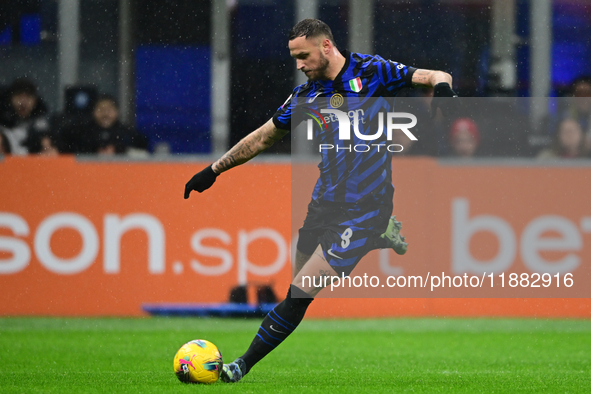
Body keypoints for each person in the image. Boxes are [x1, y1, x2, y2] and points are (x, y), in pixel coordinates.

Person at [183, 19, 458, 383]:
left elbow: (437, 74)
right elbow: (264, 138)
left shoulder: (373, 71)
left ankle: (240, 366)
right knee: (295, 286)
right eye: (294, 57)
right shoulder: (306, 96)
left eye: (303, 56)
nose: (298, 64)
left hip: (366, 206)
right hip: (324, 201)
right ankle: (379, 235)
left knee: (300, 293)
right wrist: (214, 170)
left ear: (326, 46)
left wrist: (442, 89)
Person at [58, 94, 149, 155]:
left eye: (109, 110)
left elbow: (142, 148)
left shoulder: (128, 133)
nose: (105, 114)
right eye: (100, 110)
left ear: (117, 112)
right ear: (93, 112)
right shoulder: (82, 132)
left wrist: (119, 150)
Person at [0, 78, 54, 155]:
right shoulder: (2, 124)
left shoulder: (43, 127)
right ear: (10, 99)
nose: (23, 102)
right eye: (19, 97)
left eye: (28, 97)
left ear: (35, 100)